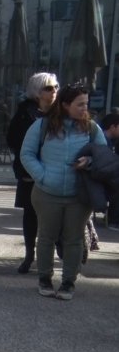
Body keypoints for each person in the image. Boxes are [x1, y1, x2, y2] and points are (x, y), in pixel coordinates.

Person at [20, 85, 107, 300]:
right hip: (47, 192)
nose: (84, 108)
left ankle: (68, 282)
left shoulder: (92, 128)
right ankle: (45, 279)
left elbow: (104, 157)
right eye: (80, 104)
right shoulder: (42, 126)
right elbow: (27, 154)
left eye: (86, 104)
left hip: (78, 195)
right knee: (46, 237)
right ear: (65, 105)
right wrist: (43, 175)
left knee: (74, 239)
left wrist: (90, 161)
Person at [7, 72, 58, 273]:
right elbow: (13, 140)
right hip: (30, 172)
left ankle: (54, 256)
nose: (54, 91)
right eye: (48, 88)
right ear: (37, 92)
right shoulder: (24, 113)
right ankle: (29, 255)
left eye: (55, 87)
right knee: (31, 215)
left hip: (55, 172)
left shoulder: (62, 112)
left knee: (56, 215)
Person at [100, 113, 119, 230]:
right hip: (103, 180)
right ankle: (114, 220)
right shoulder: (103, 141)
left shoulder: (109, 141)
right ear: (113, 127)